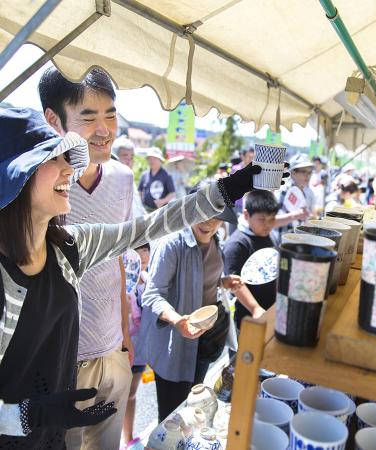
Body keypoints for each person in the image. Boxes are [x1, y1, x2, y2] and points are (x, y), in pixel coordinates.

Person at [0, 107, 259, 447]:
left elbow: (148, 225)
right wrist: (30, 414)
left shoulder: (70, 246)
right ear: (15, 175)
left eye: (67, 157)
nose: (69, 170)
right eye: (53, 159)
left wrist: (224, 191)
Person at [39, 67, 137, 450]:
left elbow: (117, 260)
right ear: (53, 119)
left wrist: (126, 340)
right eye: (89, 117)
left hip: (113, 351)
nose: (105, 129)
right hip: (61, 361)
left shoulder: (123, 178)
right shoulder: (40, 185)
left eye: (110, 114)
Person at [134, 198, 243, 421]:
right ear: (189, 213)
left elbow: (202, 279)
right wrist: (177, 321)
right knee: (172, 418)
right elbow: (153, 294)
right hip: (174, 345)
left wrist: (223, 282)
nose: (209, 224)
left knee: (195, 407)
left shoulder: (216, 240)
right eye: (202, 216)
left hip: (205, 339)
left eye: (217, 218)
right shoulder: (172, 243)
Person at [223, 190, 280, 328]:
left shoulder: (270, 236)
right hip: (248, 317)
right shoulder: (237, 244)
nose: (268, 224)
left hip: (273, 309)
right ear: (246, 214)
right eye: (262, 219)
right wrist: (255, 308)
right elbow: (235, 284)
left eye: (272, 218)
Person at [121, 244, 150, 449]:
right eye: (140, 249)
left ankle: (128, 438)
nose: (145, 254)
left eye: (147, 249)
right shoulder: (121, 282)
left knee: (131, 394)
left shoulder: (148, 280)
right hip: (121, 348)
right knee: (113, 397)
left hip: (140, 350)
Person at [276, 153, 315, 235]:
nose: (308, 176)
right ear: (293, 173)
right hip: (281, 242)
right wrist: (296, 215)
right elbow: (272, 221)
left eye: (310, 172)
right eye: (304, 172)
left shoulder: (303, 191)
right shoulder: (284, 191)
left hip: (294, 242)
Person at [112, 136, 145, 217]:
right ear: (115, 158)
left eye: (132, 157)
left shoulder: (129, 178)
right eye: (125, 156)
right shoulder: (110, 182)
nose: (129, 161)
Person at [138, 147, 176, 212]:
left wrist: (162, 201)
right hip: (145, 210)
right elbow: (140, 191)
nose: (151, 161)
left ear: (160, 160)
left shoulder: (167, 175)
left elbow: (172, 193)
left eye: (154, 158)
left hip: (161, 212)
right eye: (150, 158)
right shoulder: (144, 175)